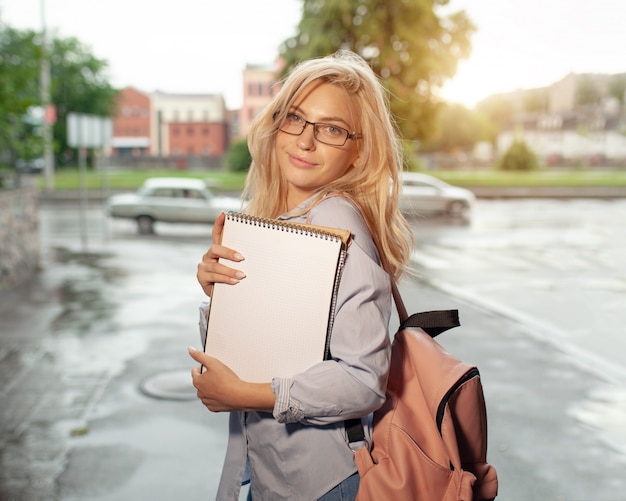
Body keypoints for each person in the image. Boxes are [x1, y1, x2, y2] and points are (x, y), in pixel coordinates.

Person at [188, 50, 413, 500]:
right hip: (277, 477)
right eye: (296, 118)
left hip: (322, 486)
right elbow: (269, 347)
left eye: (331, 129)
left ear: (358, 151)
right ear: (277, 125)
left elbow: (363, 381)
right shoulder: (284, 221)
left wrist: (249, 394)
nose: (306, 141)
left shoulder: (337, 226)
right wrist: (219, 295)